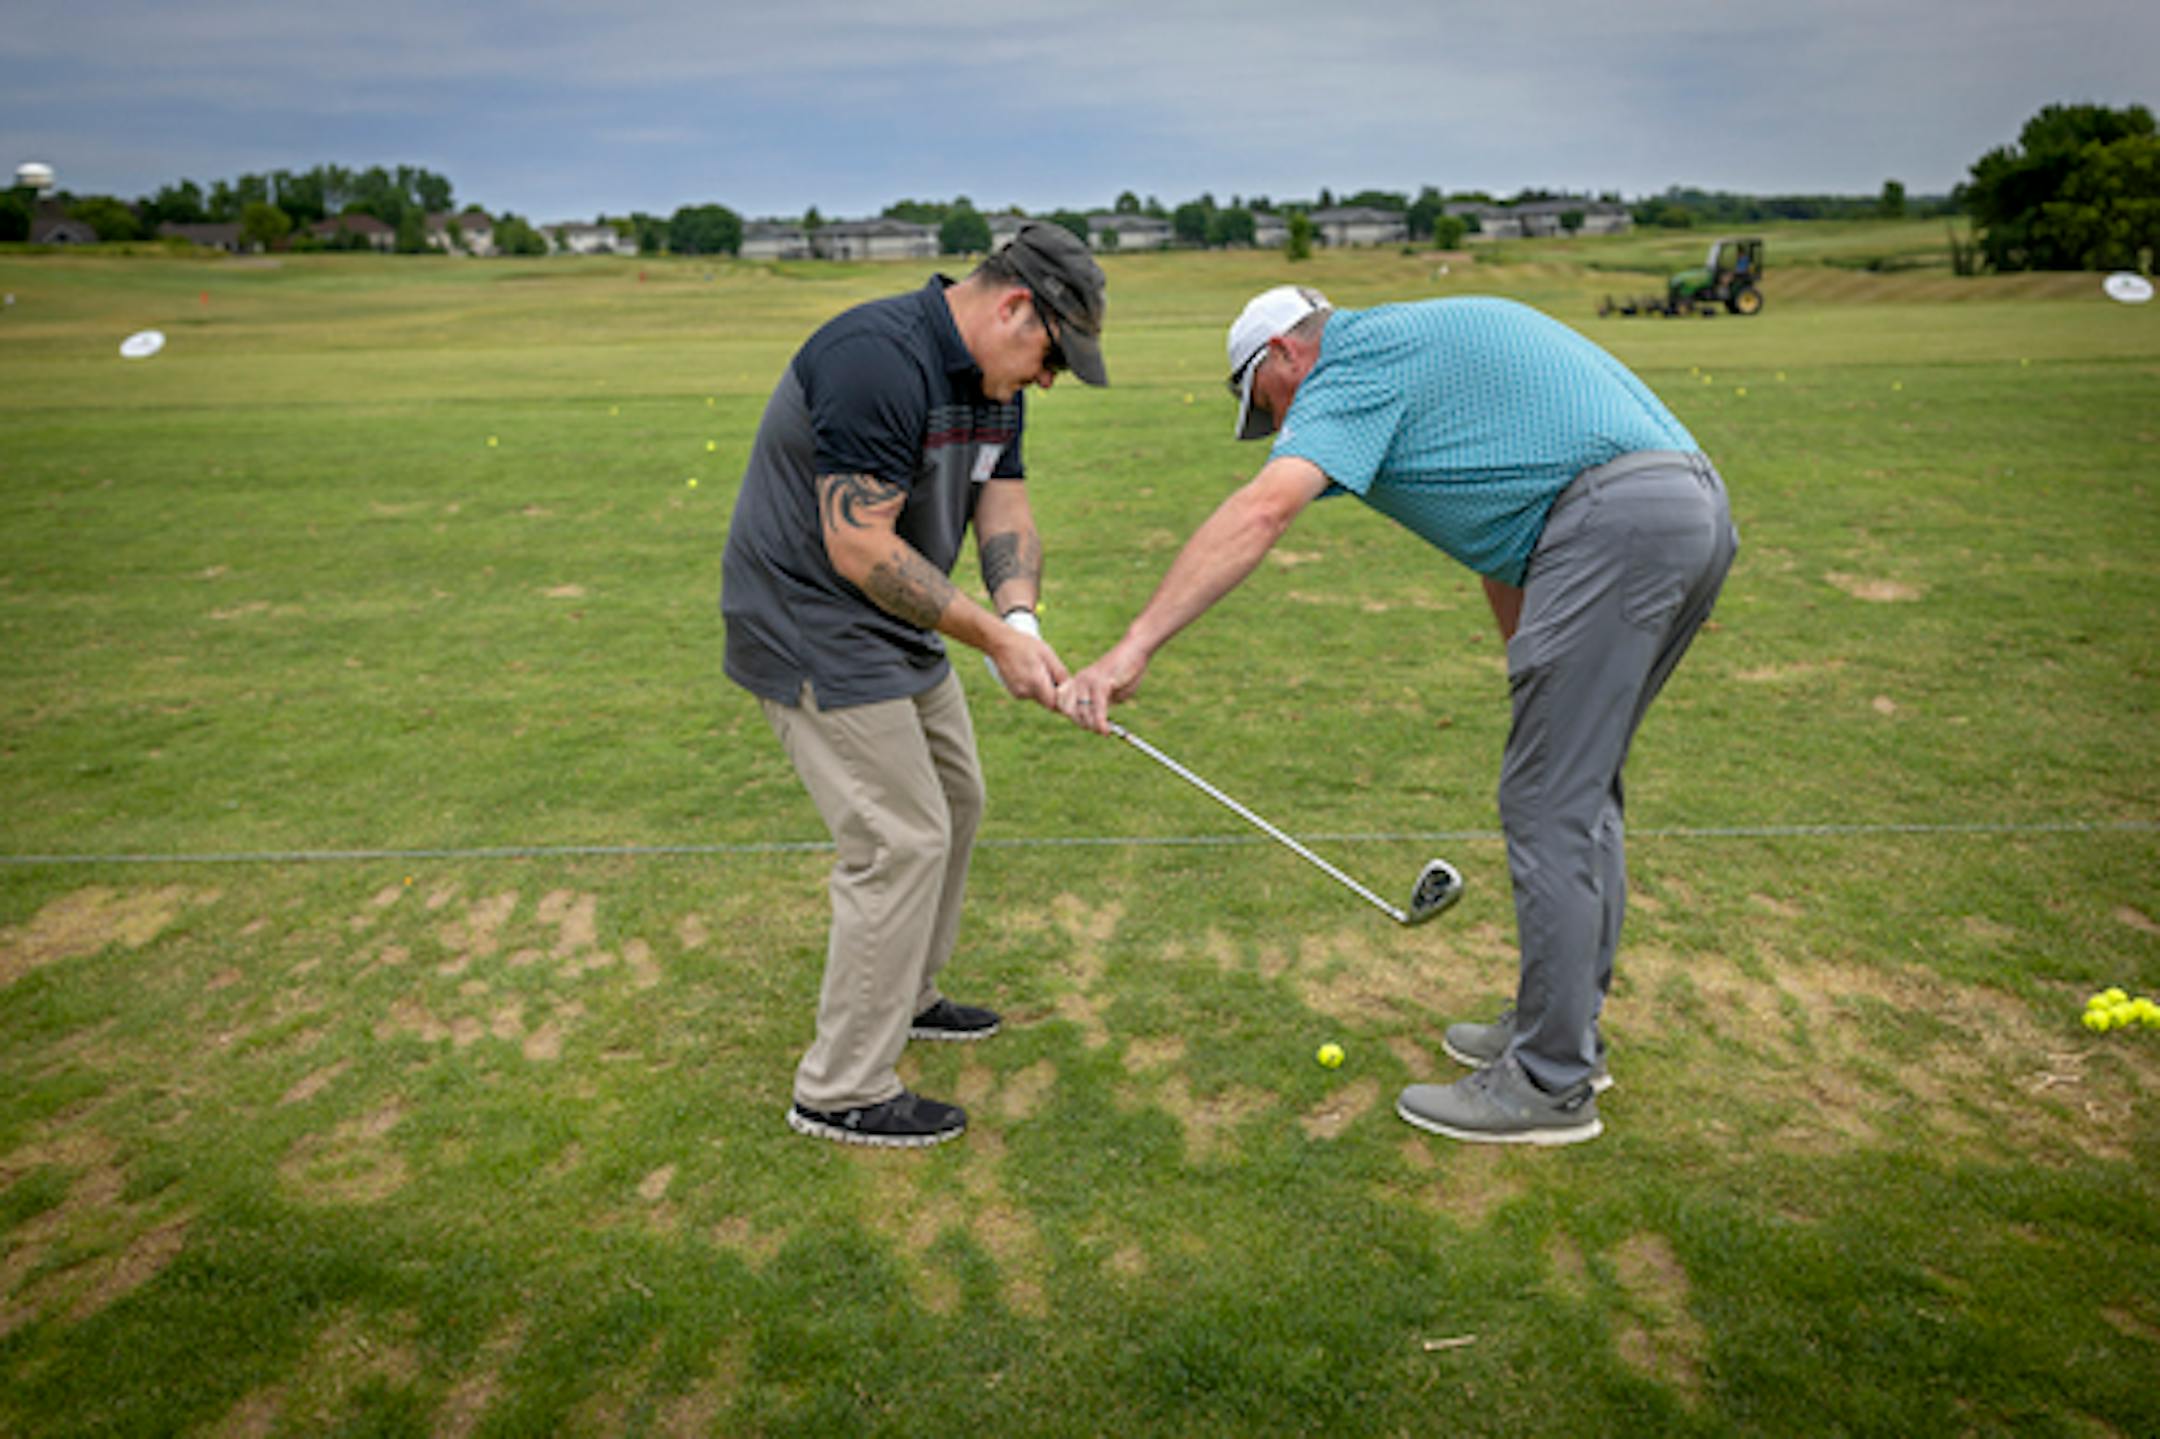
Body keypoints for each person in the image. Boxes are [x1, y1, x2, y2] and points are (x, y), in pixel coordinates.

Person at [1056, 285, 1736, 1146]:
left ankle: (1549, 1082)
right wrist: (1530, 664)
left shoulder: (1349, 364)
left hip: (1618, 527)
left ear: (1283, 357)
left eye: (1264, 406)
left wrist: (1133, 647)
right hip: (1678, 511)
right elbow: (1504, 532)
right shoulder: (1407, 346)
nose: (1277, 429)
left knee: (1550, 803)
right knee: (1579, 789)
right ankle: (1560, 1031)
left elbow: (1263, 510)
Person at [722, 223, 1109, 1148]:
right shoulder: (874, 358)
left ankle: (910, 994)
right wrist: (983, 633)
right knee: (900, 839)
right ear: (1016, 306)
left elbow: (1001, 500)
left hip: (896, 623)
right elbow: (858, 544)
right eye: (1052, 355)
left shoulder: (995, 382)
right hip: (811, 622)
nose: (1049, 380)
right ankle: (840, 1088)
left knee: (958, 801)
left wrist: (1019, 623)